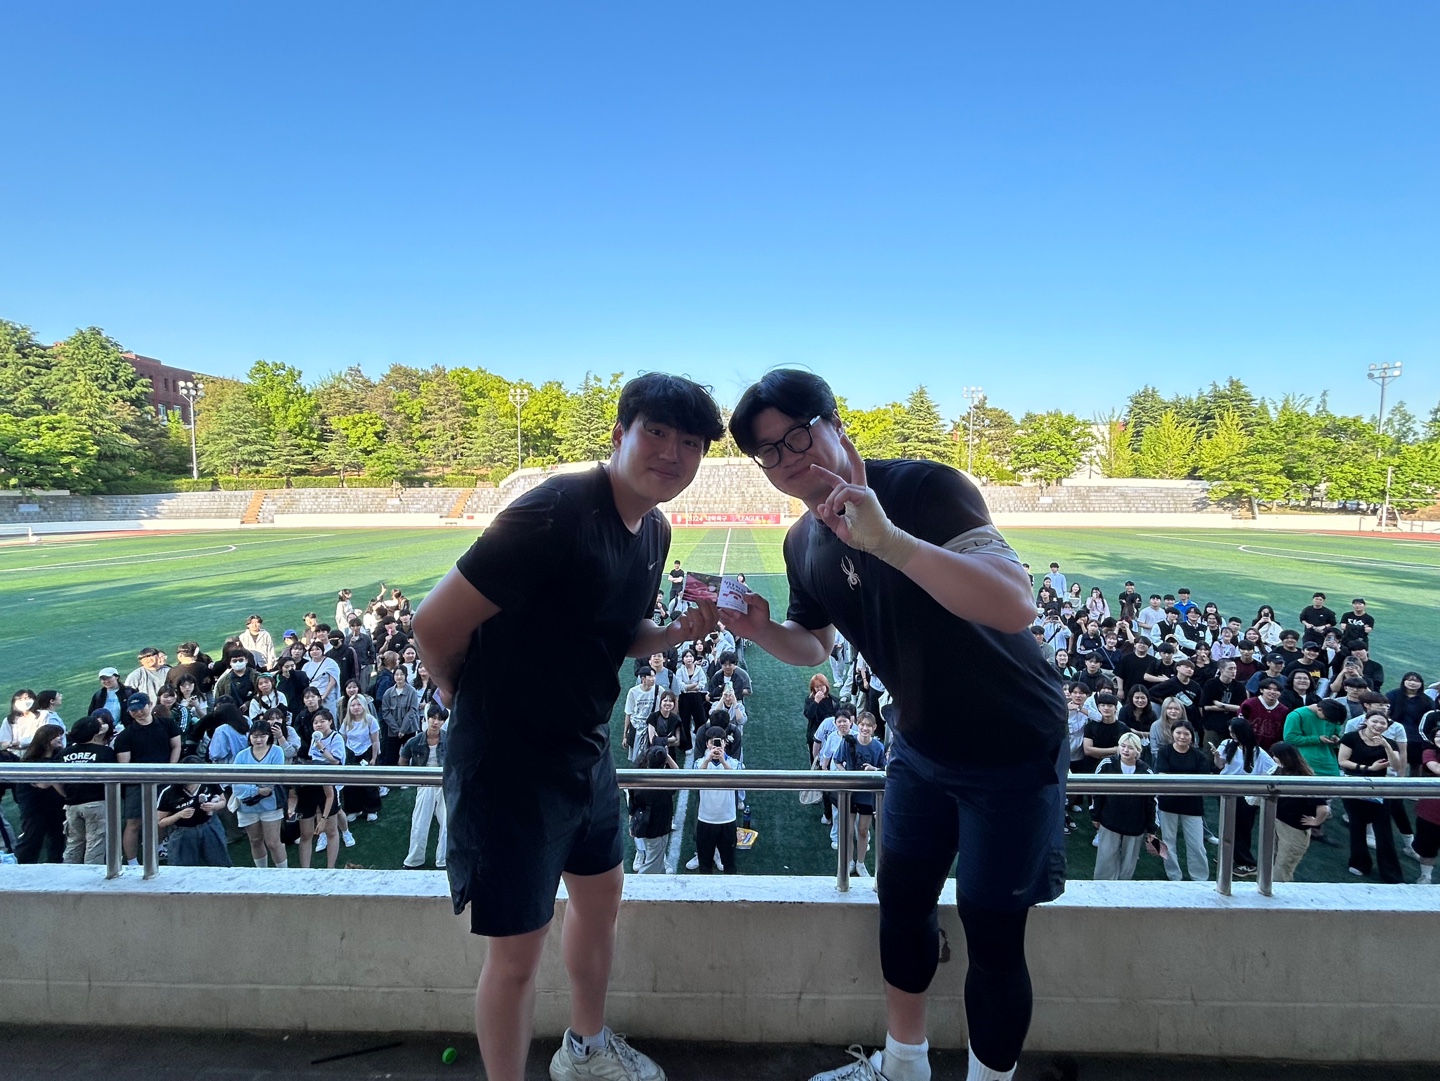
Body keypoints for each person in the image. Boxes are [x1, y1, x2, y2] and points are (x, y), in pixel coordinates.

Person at [726, 370, 1065, 1081]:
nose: (788, 459)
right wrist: (761, 631)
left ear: (836, 424)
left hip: (1011, 742)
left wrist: (890, 542)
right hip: (918, 742)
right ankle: (903, 1064)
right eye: (768, 452)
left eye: (797, 435)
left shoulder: (922, 488)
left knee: (994, 931)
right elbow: (815, 645)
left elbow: (1014, 603)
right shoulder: (803, 542)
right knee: (901, 903)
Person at [411, 372, 724, 1081]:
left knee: (601, 900)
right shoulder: (556, 509)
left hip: (586, 750)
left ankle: (584, 1048)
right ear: (618, 435)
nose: (672, 453)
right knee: (516, 953)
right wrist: (469, 697)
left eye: (691, 443)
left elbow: (613, 631)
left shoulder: (655, 530)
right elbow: (432, 625)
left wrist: (674, 632)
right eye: (656, 432)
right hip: (512, 763)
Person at [113, 693, 181, 866]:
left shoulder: (167, 724)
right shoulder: (125, 736)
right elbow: (124, 764)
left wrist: (170, 769)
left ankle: (158, 847)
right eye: (133, 710)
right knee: (133, 823)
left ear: (150, 705)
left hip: (164, 780)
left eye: (141, 708)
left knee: (161, 818)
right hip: (137, 784)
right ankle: (132, 862)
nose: (138, 712)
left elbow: (176, 746)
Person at [1337, 712, 1403, 881]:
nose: (1379, 725)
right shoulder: (1351, 737)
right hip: (1354, 786)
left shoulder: (1390, 742)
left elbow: (1396, 766)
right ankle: (1359, 863)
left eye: (1383, 723)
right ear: (1366, 721)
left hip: (1379, 790)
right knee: (1357, 825)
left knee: (1384, 830)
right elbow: (1343, 761)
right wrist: (1368, 768)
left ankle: (1391, 873)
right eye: (1375, 721)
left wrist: (1386, 746)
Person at [1092, 733, 1158, 880]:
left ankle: (1122, 889)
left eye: (1131, 747)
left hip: (1135, 826)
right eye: (1123, 746)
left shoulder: (1146, 771)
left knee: (1128, 865)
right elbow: (1096, 792)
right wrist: (1095, 815)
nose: (1126, 750)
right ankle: (1101, 889)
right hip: (1109, 822)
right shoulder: (1106, 764)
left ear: (1138, 751)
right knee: (1105, 862)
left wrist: (1151, 829)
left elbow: (1151, 802)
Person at [1213, 720, 1275, 877]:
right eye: (1230, 732)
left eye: (1234, 733)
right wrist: (1216, 756)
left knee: (1242, 829)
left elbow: (1272, 769)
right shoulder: (1227, 744)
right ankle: (1230, 856)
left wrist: (1259, 781)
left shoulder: (1258, 752)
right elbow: (1220, 765)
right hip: (1226, 790)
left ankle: (1247, 863)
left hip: (1246, 795)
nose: (1232, 736)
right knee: (1227, 825)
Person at [1153, 721, 1210, 882]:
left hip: (1192, 805)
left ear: (1192, 736)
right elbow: (1161, 775)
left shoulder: (1199, 756)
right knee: (1167, 842)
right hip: (1168, 803)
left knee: (1196, 844)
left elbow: (1204, 781)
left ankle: (1199, 878)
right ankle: (1173, 875)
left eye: (1186, 734)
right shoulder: (1164, 751)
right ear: (1172, 733)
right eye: (1178, 733)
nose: (1182, 737)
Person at [1266, 741, 1329, 883]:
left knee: (1282, 869)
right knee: (1274, 862)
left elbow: (1323, 809)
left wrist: (1315, 822)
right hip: (1278, 823)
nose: (1273, 758)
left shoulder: (1305, 780)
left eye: (1276, 756)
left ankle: (1279, 895)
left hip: (1294, 831)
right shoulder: (1279, 771)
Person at [60, 713, 116, 865]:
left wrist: (66, 795)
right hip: (96, 803)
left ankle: (68, 872)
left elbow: (55, 780)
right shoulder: (105, 752)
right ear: (95, 733)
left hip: (71, 804)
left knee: (73, 842)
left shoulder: (64, 753)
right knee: (95, 842)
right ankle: (91, 876)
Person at [399, 704, 449, 870]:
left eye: (440, 719)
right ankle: (414, 859)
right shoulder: (415, 741)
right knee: (419, 822)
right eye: (433, 718)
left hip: (444, 783)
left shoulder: (449, 739)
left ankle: (443, 860)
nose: (435, 722)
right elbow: (403, 759)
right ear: (427, 719)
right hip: (424, 783)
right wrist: (411, 778)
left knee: (447, 822)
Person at [233, 721, 288, 868]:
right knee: (255, 840)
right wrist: (256, 790)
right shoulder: (241, 756)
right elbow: (236, 785)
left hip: (271, 805)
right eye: (255, 736)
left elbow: (274, 779)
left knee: (273, 842)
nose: (258, 740)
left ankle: (284, 874)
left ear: (269, 736)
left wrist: (252, 785)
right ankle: (261, 872)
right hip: (247, 806)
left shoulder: (276, 751)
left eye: (262, 736)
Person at [157, 758, 230, 867]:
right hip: (183, 832)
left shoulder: (210, 782)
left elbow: (223, 801)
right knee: (183, 869)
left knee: (220, 865)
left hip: (210, 826)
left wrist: (214, 806)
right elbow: (161, 822)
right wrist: (179, 815)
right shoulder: (169, 792)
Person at [14, 724, 67, 863]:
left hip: (56, 807)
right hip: (35, 807)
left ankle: (55, 867)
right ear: (46, 739)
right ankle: (22, 867)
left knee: (57, 840)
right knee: (32, 839)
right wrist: (60, 788)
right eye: (57, 735)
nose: (61, 738)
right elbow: (43, 784)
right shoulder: (30, 762)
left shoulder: (60, 757)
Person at [691, 724, 739, 873]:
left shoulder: (734, 763)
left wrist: (723, 761)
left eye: (719, 742)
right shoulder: (700, 763)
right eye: (713, 742)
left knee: (729, 863)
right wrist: (708, 760)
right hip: (705, 819)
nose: (716, 746)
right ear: (707, 744)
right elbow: (695, 779)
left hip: (727, 820)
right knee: (704, 864)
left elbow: (736, 780)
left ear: (725, 743)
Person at [628, 744, 677, 874]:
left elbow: (632, 806)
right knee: (653, 864)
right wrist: (667, 756)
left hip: (642, 824)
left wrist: (631, 825)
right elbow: (678, 773)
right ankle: (639, 884)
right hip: (658, 827)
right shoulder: (664, 783)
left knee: (654, 857)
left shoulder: (637, 778)